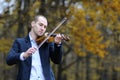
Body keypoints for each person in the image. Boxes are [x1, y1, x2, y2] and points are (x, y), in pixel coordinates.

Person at [6, 15, 63, 80]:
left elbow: (57, 60)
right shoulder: (20, 42)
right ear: (33, 24)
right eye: (40, 25)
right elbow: (9, 60)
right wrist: (24, 54)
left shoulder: (47, 43)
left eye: (45, 27)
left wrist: (58, 45)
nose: (42, 29)